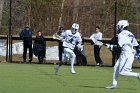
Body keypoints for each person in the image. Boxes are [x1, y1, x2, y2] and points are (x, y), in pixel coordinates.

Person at [106, 20, 140, 89]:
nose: (117, 28)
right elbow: (137, 46)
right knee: (116, 67)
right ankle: (114, 84)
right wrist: (138, 53)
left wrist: (110, 47)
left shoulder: (121, 34)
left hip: (127, 55)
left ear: (122, 26)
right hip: (127, 54)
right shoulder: (130, 33)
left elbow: (119, 47)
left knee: (122, 72)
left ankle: (138, 75)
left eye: (118, 26)